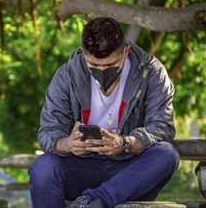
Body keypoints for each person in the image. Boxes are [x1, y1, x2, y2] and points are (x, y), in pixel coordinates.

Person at [28, 17, 179, 208]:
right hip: (82, 167)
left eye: (110, 65)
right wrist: (68, 144)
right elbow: (48, 131)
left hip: (129, 172)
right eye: (94, 66)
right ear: (83, 53)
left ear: (126, 51)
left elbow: (163, 128)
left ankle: (93, 202)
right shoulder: (66, 76)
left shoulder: (152, 72)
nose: (102, 71)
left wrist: (125, 143)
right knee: (42, 168)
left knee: (167, 154)